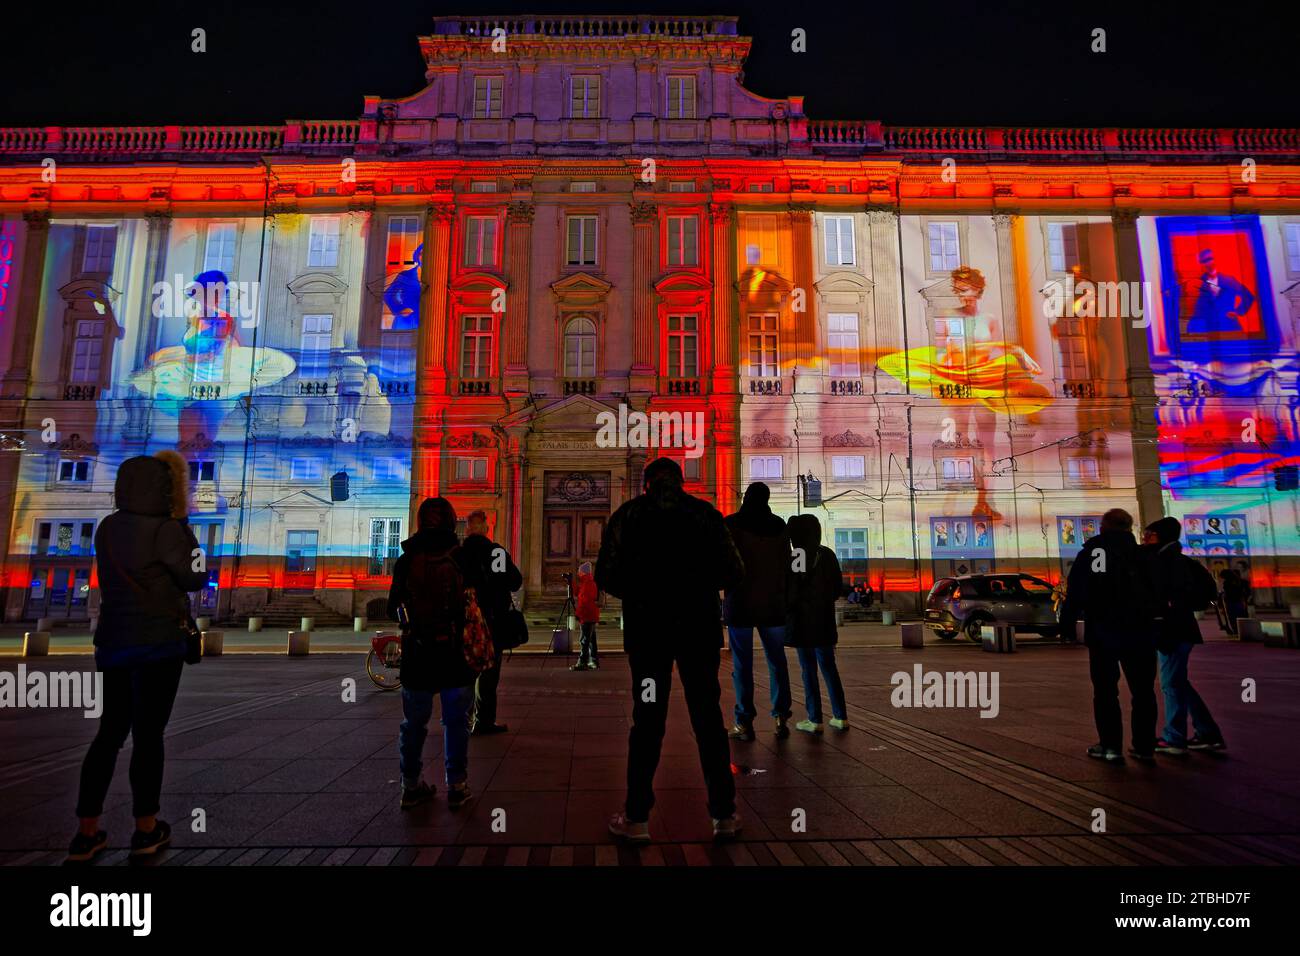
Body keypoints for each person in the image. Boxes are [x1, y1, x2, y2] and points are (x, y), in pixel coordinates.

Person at [68, 452, 207, 864]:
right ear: (168, 488)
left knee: (109, 734)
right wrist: (183, 525)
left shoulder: (107, 528)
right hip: (158, 644)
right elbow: (195, 576)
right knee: (148, 737)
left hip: (112, 643)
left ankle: (85, 833)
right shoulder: (166, 529)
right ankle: (146, 829)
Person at [597, 457, 745, 844]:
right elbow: (734, 570)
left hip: (650, 634)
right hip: (698, 631)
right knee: (707, 718)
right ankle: (724, 815)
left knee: (647, 721)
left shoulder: (629, 516)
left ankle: (636, 817)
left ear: (646, 484)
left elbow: (605, 573)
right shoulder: (705, 515)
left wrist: (640, 591)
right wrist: (697, 585)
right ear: (681, 482)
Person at [388, 497, 482, 810]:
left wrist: (411, 624)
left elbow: (393, 608)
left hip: (418, 652)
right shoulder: (462, 557)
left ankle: (410, 785)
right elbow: (475, 599)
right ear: (451, 521)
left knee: (413, 723)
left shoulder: (407, 559)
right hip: (454, 652)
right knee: (456, 721)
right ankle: (457, 784)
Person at [1060, 508, 1158, 764]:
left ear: (1103, 527)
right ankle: (1145, 747)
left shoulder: (1096, 553)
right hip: (1140, 631)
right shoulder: (1142, 555)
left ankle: (1111, 746)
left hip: (1105, 630)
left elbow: (1079, 589)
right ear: (1129, 528)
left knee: (1105, 691)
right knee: (1144, 692)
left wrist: (1068, 624)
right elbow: (1157, 592)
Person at [1141, 517, 1226, 756]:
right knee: (1178, 683)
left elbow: (1163, 596)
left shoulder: (1164, 562)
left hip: (1171, 629)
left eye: (1150, 534)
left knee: (1171, 685)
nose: (1145, 538)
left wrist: (1167, 609)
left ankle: (1174, 738)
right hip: (1180, 628)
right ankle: (1208, 733)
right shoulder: (1180, 560)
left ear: (1162, 537)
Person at [721, 482, 793, 740]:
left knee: (742, 664)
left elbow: (724, 563)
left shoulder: (731, 524)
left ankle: (744, 721)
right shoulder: (779, 526)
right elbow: (788, 563)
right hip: (773, 605)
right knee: (777, 662)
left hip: (740, 603)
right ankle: (780, 717)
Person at [458, 509, 522, 735]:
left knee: (466, 670)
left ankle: (461, 719)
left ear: (467, 529)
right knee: (489, 673)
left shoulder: (459, 554)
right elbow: (515, 581)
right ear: (486, 528)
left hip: (465, 622)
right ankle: (484, 720)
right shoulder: (495, 552)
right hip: (494, 620)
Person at [785, 514, 849, 733]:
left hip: (804, 623)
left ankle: (814, 719)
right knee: (829, 668)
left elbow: (794, 587)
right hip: (824, 621)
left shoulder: (799, 554)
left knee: (808, 670)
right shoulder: (827, 553)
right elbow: (836, 588)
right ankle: (840, 716)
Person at [572, 561, 601, 671]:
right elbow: (578, 593)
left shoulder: (588, 584)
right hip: (591, 615)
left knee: (584, 640)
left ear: (582, 572)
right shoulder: (588, 582)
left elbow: (584, 603)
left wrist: (579, 615)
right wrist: (571, 584)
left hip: (587, 616)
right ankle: (593, 661)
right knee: (591, 640)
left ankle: (582, 662)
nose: (578, 573)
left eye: (579, 571)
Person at [1220, 569, 1249, 636]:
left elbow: (1227, 592)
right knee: (1240, 616)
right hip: (1238, 601)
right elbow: (1242, 592)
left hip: (1231, 601)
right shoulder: (1239, 581)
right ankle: (1241, 630)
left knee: (1232, 617)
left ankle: (1235, 630)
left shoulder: (1227, 582)